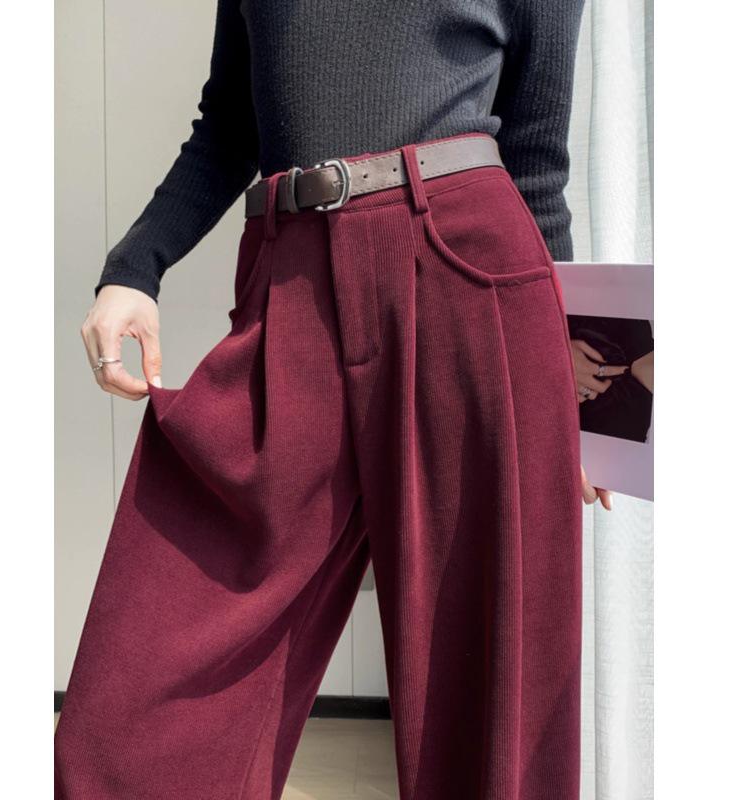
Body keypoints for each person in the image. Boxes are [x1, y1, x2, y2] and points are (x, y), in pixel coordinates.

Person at [56, 0, 610, 797]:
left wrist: (579, 403)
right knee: (129, 713)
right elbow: (229, 123)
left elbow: (535, 161)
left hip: (469, 282)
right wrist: (133, 268)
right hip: (291, 283)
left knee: (489, 711)